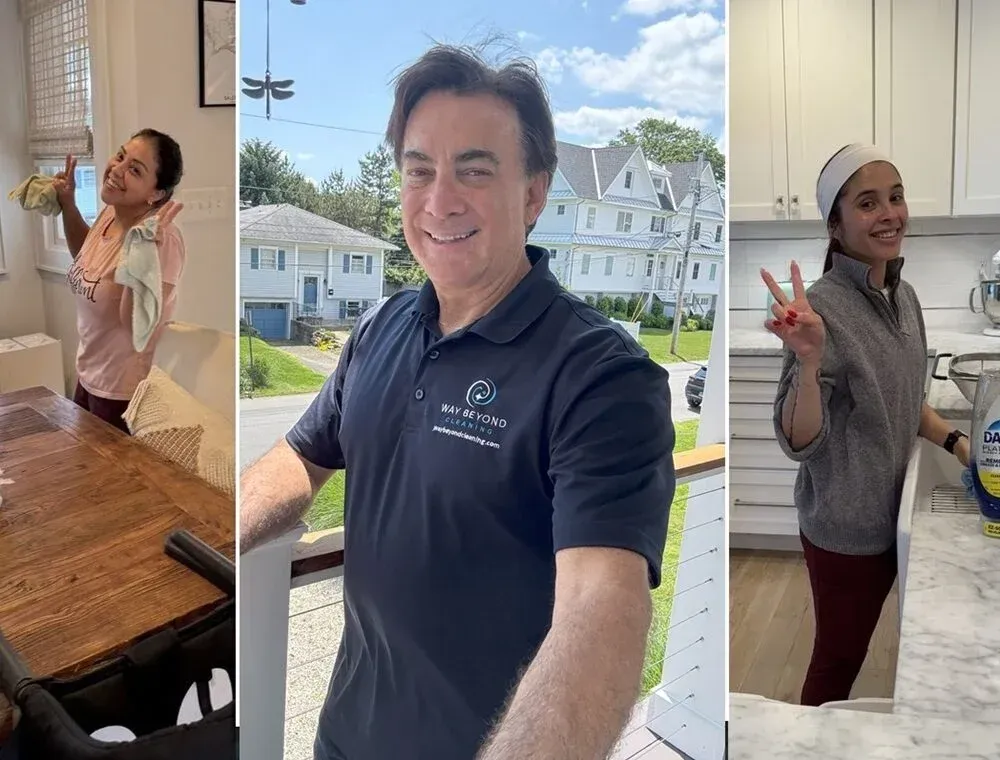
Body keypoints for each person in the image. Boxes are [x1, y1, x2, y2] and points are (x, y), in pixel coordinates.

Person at [240, 45, 676, 760]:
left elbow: (604, 610)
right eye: (420, 171)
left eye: (474, 170)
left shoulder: (602, 376)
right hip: (343, 738)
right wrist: (215, 537)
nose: (439, 200)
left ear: (534, 195)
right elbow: (301, 456)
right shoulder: (380, 328)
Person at [761, 143, 970, 707]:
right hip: (846, 530)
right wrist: (808, 362)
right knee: (837, 661)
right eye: (868, 203)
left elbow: (902, 403)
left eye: (895, 198)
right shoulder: (820, 311)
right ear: (836, 223)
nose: (889, 214)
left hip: (895, 514)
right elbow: (799, 440)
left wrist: (958, 441)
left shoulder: (905, 298)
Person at [53, 129, 185, 434]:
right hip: (89, 375)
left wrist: (140, 253)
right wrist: (68, 205)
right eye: (121, 156)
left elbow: (136, 326)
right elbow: (88, 259)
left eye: (135, 170)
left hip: (122, 394)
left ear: (156, 193)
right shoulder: (111, 215)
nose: (117, 170)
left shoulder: (162, 240)